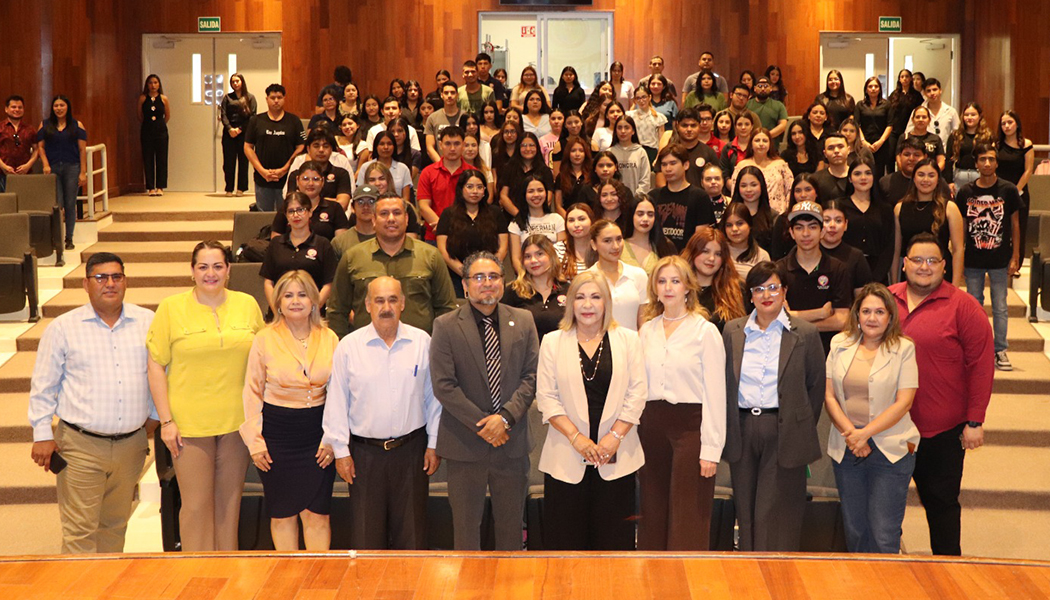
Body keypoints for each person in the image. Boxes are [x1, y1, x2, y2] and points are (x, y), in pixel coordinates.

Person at [28, 252, 155, 554]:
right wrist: (42, 434)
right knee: (80, 532)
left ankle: (107, 583)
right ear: (86, 284)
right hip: (80, 445)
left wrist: (153, 415)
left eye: (116, 277)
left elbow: (159, 373)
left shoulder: (147, 322)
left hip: (131, 447)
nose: (109, 283)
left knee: (115, 526)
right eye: (100, 277)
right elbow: (44, 385)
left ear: (125, 281)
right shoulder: (63, 327)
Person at [147, 241, 265, 551]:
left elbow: (264, 357)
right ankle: (197, 574)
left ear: (228, 270)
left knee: (230, 505)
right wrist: (166, 421)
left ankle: (227, 573)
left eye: (217, 266)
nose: (210, 273)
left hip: (237, 424)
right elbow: (155, 366)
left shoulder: (247, 304)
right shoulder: (171, 308)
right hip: (189, 426)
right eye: (203, 267)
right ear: (192, 271)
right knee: (196, 507)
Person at [890, 233, 994, 556]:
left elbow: (981, 366)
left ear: (944, 266)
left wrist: (975, 421)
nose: (924, 267)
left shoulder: (964, 307)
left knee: (942, 506)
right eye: (917, 260)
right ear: (904, 263)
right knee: (885, 508)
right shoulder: (886, 301)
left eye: (932, 261)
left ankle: (949, 571)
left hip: (941, 431)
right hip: (888, 427)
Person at [429, 251, 539, 550]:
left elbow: (531, 377)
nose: (487, 283)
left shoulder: (524, 320)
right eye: (478, 277)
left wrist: (504, 419)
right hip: (465, 445)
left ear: (503, 282)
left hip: (511, 443)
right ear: (465, 285)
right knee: (466, 533)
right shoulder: (445, 325)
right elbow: (444, 385)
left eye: (493, 276)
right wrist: (486, 425)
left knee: (511, 532)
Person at [323, 276, 442, 549]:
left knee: (413, 539)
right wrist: (341, 452)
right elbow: (337, 402)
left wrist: (434, 444)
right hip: (364, 457)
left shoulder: (422, 342)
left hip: (412, 452)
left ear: (402, 304)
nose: (386, 307)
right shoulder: (348, 347)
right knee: (367, 539)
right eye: (379, 300)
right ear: (367, 305)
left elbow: (433, 399)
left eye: (392, 300)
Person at [535, 270, 647, 550]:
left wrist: (614, 437)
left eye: (596, 297)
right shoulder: (552, 341)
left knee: (613, 545)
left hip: (616, 457)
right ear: (570, 303)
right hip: (566, 456)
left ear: (606, 303)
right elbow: (547, 398)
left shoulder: (629, 340)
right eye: (580, 297)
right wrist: (577, 438)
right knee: (565, 546)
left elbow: (637, 394)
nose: (588, 305)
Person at [722, 260, 825, 551]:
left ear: (784, 291)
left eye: (773, 288)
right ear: (750, 295)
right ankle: (748, 564)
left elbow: (815, 387)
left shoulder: (805, 333)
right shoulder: (733, 331)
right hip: (742, 426)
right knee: (745, 506)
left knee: (774, 508)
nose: (766, 295)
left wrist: (797, 423)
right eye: (758, 289)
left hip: (783, 428)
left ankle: (773, 568)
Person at [240, 271, 338, 551]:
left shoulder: (330, 337)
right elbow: (252, 391)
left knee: (317, 515)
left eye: (302, 294)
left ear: (314, 300)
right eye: (288, 295)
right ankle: (288, 576)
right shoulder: (264, 339)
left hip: (318, 437)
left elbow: (339, 394)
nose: (296, 301)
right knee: (282, 515)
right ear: (278, 302)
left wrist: (332, 438)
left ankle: (317, 577)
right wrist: (255, 443)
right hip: (276, 437)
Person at [636, 255, 726, 550]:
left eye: (675, 281)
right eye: (662, 281)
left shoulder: (704, 331)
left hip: (690, 427)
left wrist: (711, 449)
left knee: (688, 509)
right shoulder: (646, 331)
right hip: (651, 424)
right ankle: (653, 572)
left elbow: (716, 393)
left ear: (688, 286)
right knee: (652, 506)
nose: (668, 287)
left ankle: (687, 573)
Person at [824, 283, 920, 554]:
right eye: (866, 311)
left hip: (890, 450)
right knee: (855, 529)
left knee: (883, 532)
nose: (872, 318)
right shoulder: (839, 344)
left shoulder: (904, 348)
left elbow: (904, 402)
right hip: (847, 446)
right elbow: (829, 396)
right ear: (857, 315)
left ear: (890, 316)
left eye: (879, 312)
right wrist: (852, 434)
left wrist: (864, 434)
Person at [329, 193, 457, 338]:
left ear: (406, 219)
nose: (391, 219)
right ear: (374, 220)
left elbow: (446, 308)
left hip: (420, 348)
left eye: (397, 213)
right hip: (365, 347)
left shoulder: (431, 256)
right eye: (384, 213)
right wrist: (339, 344)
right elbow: (337, 310)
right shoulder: (352, 257)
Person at [955, 143, 1021, 370]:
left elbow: (1015, 224)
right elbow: (961, 227)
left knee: (1000, 306)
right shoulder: (966, 192)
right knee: (974, 306)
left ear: (997, 162)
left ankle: (1000, 350)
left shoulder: (1008, 190)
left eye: (991, 159)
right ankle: (975, 348)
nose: (987, 163)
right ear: (976, 163)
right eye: (982, 159)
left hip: (1000, 259)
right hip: (973, 259)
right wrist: (959, 258)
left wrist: (1015, 256)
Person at [776, 201, 852, 354]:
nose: (806, 234)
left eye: (812, 227)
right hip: (788, 349)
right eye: (799, 228)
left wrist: (794, 318)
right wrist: (820, 314)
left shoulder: (838, 269)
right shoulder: (779, 270)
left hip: (827, 350)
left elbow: (842, 320)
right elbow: (776, 319)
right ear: (791, 233)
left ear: (822, 231)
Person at [891, 159, 965, 287]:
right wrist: (894, 283)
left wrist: (955, 285)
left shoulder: (949, 208)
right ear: (914, 178)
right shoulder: (900, 208)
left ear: (938, 180)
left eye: (931, 175)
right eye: (921, 175)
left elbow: (958, 249)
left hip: (940, 273)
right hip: (911, 273)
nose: (926, 180)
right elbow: (896, 251)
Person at [261, 192, 338, 313]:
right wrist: (277, 311)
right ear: (286, 216)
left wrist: (312, 310)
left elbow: (329, 283)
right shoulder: (276, 244)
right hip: (279, 314)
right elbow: (268, 283)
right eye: (291, 211)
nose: (296, 215)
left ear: (310, 212)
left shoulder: (323, 244)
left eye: (301, 210)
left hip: (313, 314)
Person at [436, 170, 507, 296]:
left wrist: (488, 272)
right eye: (470, 187)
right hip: (456, 277)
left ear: (485, 190)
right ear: (461, 189)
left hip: (490, 278)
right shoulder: (448, 214)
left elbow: (502, 248)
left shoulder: (495, 213)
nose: (475, 191)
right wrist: (467, 274)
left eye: (479, 187)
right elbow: (443, 251)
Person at [37, 95, 87, 250]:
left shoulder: (77, 125)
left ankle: (69, 238)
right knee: (57, 204)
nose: (59, 108)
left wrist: (83, 172)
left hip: (72, 167)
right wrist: (45, 164)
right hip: (53, 169)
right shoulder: (45, 124)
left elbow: (82, 150)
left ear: (67, 107)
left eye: (62, 105)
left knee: (70, 203)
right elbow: (40, 147)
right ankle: (57, 238)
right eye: (56, 106)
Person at [244, 84, 304, 211]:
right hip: (262, 179)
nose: (276, 101)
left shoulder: (294, 121)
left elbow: (301, 147)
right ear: (267, 99)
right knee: (264, 217)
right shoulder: (255, 120)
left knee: (287, 214)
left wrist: (285, 169)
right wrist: (262, 171)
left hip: (287, 179)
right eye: (272, 98)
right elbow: (248, 147)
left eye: (279, 97)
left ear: (284, 99)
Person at [649, 144, 716, 253]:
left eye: (673, 163)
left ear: (686, 165)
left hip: (688, 257)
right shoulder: (653, 196)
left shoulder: (700, 197)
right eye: (664, 164)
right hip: (657, 256)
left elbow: (700, 239)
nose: (668, 169)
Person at [504, 235, 569, 341]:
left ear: (551, 256)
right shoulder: (512, 291)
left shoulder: (568, 289)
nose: (533, 260)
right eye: (527, 256)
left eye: (539, 254)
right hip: (526, 351)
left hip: (561, 349)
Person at [417, 125, 477, 241]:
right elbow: (423, 206)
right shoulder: (428, 172)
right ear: (440, 145)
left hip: (467, 235)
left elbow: (477, 206)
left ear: (463, 145)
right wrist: (443, 227)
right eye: (448, 144)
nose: (452, 148)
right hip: (434, 236)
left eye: (457, 144)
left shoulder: (473, 173)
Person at [587, 219, 648, 331]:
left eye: (619, 239)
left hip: (633, 341)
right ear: (594, 245)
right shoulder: (586, 278)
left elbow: (644, 323)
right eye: (607, 241)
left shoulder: (638, 275)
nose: (615, 246)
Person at [840, 159, 895, 283]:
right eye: (857, 173)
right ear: (850, 179)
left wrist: (876, 278)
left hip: (877, 273)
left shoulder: (885, 208)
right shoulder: (840, 206)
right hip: (845, 271)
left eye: (868, 173)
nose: (863, 178)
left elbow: (888, 246)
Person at [682, 227, 746, 331]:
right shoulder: (678, 287)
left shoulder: (738, 289)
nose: (711, 258)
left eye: (718, 254)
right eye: (705, 251)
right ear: (693, 252)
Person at [995, 110, 1034, 274]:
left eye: (1009, 122)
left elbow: (1028, 170)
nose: (1006, 126)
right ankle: (999, 263)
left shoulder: (1026, 144)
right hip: (999, 192)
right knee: (999, 228)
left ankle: (1016, 264)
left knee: (1019, 228)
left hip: (1019, 192)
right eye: (1003, 123)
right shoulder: (996, 145)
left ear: (1017, 124)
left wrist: (1016, 190)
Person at [275, 161, 350, 241]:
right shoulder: (287, 207)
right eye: (305, 179)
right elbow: (276, 242)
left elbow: (341, 243)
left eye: (315, 179)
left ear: (323, 181)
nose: (310, 183)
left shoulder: (335, 208)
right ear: (297, 180)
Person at [508, 174, 565, 273]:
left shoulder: (557, 219)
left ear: (546, 193)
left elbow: (563, 253)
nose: (536, 195)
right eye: (531, 191)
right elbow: (516, 259)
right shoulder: (516, 224)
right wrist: (525, 278)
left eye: (540, 190)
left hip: (554, 274)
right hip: (528, 275)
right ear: (524, 195)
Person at [286, 129, 354, 210]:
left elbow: (342, 205)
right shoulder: (296, 175)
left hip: (332, 217)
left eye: (326, 146)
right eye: (316, 146)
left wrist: (307, 199)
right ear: (308, 149)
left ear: (331, 149)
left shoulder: (341, 173)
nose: (321, 150)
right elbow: (291, 204)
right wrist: (331, 201)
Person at [731, 127, 793, 214]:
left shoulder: (780, 164)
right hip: (749, 214)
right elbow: (735, 193)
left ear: (770, 144)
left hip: (779, 213)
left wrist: (787, 212)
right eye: (757, 140)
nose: (761, 144)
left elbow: (790, 189)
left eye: (765, 141)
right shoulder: (742, 166)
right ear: (751, 144)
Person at [655, 108, 719, 191]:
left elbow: (715, 182)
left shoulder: (709, 153)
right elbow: (660, 183)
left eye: (693, 125)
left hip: (700, 198)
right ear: (677, 126)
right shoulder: (667, 153)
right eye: (684, 125)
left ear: (699, 126)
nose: (689, 129)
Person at [820, 198, 874, 296]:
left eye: (838, 221)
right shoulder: (808, 253)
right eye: (826, 220)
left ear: (846, 225)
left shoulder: (856, 257)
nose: (832, 225)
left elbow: (862, 298)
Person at [879, 137, 950, 205]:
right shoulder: (886, 183)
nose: (911, 159)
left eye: (917, 155)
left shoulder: (937, 183)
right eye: (907, 154)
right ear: (900, 156)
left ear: (925, 157)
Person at [499, 132, 555, 218]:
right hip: (512, 216)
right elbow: (503, 196)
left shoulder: (545, 170)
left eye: (531, 145)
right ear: (518, 148)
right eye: (524, 145)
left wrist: (533, 217)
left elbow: (548, 197)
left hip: (538, 217)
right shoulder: (509, 168)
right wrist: (519, 216)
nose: (528, 149)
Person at [220, 74, 257, 197]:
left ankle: (241, 188)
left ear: (242, 82)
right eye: (233, 82)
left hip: (244, 133)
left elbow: (252, 117)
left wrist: (240, 129)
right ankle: (229, 188)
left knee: (243, 161)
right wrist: (230, 129)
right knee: (228, 162)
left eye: (237, 81)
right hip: (229, 133)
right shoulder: (227, 98)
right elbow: (223, 114)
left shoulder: (250, 98)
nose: (235, 84)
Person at [356, 131, 414, 206]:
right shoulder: (365, 167)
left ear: (394, 146)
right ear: (376, 146)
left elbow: (406, 200)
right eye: (382, 144)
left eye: (389, 144)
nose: (386, 147)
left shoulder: (403, 168)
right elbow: (360, 194)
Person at [623, 195, 677, 274]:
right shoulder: (619, 246)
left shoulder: (666, 246)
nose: (645, 219)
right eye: (640, 214)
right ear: (631, 216)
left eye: (650, 215)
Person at [946, 102, 992, 194]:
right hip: (960, 176)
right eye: (966, 115)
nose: (969, 117)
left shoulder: (987, 136)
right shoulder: (955, 135)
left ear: (980, 116)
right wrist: (949, 181)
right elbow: (948, 160)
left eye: (973, 115)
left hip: (980, 175)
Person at [729, 165, 777, 251]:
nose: (748, 190)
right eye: (743, 186)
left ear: (761, 186)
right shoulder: (730, 214)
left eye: (753, 185)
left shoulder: (773, 217)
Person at [855, 76, 895, 178]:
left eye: (876, 86)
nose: (873, 89)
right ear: (866, 89)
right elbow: (856, 124)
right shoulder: (860, 105)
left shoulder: (886, 104)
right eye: (870, 86)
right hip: (864, 143)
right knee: (865, 170)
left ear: (880, 89)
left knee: (879, 173)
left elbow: (890, 124)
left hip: (881, 144)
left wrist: (880, 142)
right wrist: (863, 142)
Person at [721, 201, 771, 279]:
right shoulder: (719, 251)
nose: (734, 229)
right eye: (729, 225)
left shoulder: (762, 256)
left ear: (749, 225)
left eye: (739, 223)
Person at [138, 74, 169, 196]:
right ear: (147, 85)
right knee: (148, 158)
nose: (153, 85)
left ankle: (160, 187)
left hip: (161, 132)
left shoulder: (163, 99)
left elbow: (167, 116)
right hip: (147, 131)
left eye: (155, 82)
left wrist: (159, 124)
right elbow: (139, 115)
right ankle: (150, 187)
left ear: (159, 84)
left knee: (161, 159)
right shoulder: (142, 98)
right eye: (150, 83)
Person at [0, 95, 39, 192]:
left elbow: (36, 149)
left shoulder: (30, 129)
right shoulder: (1, 127)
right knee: (5, 200)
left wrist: (28, 165)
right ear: (6, 109)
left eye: (20, 107)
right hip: (3, 173)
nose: (17, 110)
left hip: (25, 173)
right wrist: (3, 166)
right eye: (13, 107)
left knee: (25, 199)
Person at [907, 79, 959, 148]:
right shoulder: (918, 112)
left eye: (935, 90)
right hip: (923, 151)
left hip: (944, 151)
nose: (932, 93)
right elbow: (908, 133)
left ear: (940, 90)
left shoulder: (951, 111)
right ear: (924, 93)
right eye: (928, 91)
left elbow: (957, 134)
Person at [332, 184, 380, 257]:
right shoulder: (340, 242)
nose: (366, 207)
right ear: (352, 207)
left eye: (371, 202)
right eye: (360, 202)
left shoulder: (388, 238)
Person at [609, 116, 651, 197]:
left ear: (633, 131)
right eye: (619, 128)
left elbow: (645, 180)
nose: (623, 131)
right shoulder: (610, 152)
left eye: (627, 128)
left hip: (636, 199)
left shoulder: (640, 152)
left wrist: (636, 197)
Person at [627, 86, 667, 166]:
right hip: (634, 150)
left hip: (652, 152)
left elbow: (661, 139)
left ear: (649, 97)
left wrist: (658, 157)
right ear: (635, 100)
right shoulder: (629, 115)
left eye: (644, 97)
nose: (641, 100)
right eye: (638, 98)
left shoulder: (659, 117)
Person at [888, 69, 924, 158]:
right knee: (891, 155)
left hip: (910, 130)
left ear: (911, 79)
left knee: (908, 154)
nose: (904, 79)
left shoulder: (917, 95)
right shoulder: (894, 95)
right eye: (902, 77)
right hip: (894, 131)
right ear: (899, 79)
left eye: (907, 76)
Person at [898, 106, 945, 171]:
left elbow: (941, 161)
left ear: (929, 120)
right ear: (912, 120)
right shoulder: (904, 137)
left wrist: (931, 173)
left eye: (924, 117)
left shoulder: (936, 139)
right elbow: (899, 160)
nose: (920, 120)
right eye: (917, 117)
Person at [555, 135, 593, 215]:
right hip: (567, 217)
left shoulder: (592, 175)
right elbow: (558, 206)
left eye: (581, 151)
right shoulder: (561, 176)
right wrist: (569, 218)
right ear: (568, 153)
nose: (577, 154)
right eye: (573, 151)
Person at [746, 77, 788, 142]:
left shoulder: (779, 105)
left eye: (766, 86)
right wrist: (756, 138)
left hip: (772, 144)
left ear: (771, 88)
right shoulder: (747, 104)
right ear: (755, 88)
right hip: (751, 143)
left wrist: (766, 136)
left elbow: (783, 125)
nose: (763, 89)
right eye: (760, 86)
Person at [812, 134, 851, 201]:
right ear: (825, 154)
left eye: (840, 146)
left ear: (848, 150)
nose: (836, 151)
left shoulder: (859, 176)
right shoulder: (815, 180)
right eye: (830, 148)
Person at [718, 112, 755, 183]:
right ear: (735, 126)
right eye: (739, 124)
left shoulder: (756, 146)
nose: (743, 127)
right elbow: (724, 172)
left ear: (752, 126)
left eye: (747, 124)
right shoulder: (728, 148)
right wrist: (730, 185)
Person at [563, 202, 596, 281]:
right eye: (571, 220)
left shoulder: (601, 248)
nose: (576, 224)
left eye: (581, 219)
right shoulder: (559, 249)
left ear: (591, 221)